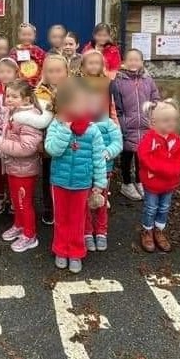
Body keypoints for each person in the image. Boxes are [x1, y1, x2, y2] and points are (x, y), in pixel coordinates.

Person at [45, 78, 107, 274]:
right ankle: (61, 250)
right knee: (61, 218)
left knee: (78, 219)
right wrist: (65, 128)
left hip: (81, 183)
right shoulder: (57, 125)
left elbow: (98, 159)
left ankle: (76, 252)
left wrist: (99, 183)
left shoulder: (92, 130)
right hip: (60, 182)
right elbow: (52, 150)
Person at [0, 79, 44, 253]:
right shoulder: (11, 112)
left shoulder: (29, 118)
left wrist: (2, 145)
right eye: (7, 95)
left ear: (26, 99)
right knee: (16, 200)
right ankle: (19, 225)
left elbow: (28, 147)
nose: (9, 99)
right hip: (12, 166)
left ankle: (30, 235)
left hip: (24, 170)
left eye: (14, 96)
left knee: (23, 202)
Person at [15, 54, 68, 225]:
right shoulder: (39, 93)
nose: (55, 75)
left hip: (69, 141)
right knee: (48, 176)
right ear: (44, 72)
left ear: (66, 71)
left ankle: (64, 207)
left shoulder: (73, 90)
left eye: (58, 71)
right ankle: (49, 208)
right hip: (47, 142)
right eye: (50, 71)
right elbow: (37, 119)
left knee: (66, 175)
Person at [137, 100, 180, 253]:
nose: (171, 124)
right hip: (153, 183)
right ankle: (147, 230)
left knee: (164, 207)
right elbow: (145, 158)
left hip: (170, 183)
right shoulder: (150, 139)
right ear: (154, 122)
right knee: (151, 207)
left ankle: (159, 230)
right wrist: (167, 169)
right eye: (166, 120)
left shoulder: (176, 139)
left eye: (174, 120)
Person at [112, 48, 160, 201]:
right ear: (124, 63)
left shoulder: (148, 79)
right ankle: (126, 183)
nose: (133, 62)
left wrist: (153, 111)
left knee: (142, 157)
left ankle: (139, 181)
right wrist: (121, 124)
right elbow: (116, 106)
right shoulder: (118, 82)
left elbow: (155, 97)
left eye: (137, 60)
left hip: (145, 125)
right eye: (130, 60)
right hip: (127, 125)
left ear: (142, 62)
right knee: (126, 156)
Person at [84, 84, 122, 253]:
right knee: (85, 202)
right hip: (85, 170)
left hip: (104, 169)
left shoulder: (108, 123)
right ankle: (86, 231)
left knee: (101, 201)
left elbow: (117, 142)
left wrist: (108, 151)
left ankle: (101, 231)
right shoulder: (80, 123)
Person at [0, 57, 19, 215]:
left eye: (9, 72)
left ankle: (14, 196)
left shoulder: (19, 90)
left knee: (13, 165)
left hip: (14, 132)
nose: (5, 75)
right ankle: (0, 194)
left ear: (15, 73)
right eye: (2, 72)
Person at [9, 23, 46, 87]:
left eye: (29, 35)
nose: (26, 37)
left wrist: (42, 80)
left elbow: (45, 65)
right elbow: (11, 67)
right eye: (24, 35)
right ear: (18, 35)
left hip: (36, 84)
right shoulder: (14, 51)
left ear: (34, 35)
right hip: (20, 84)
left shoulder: (38, 51)